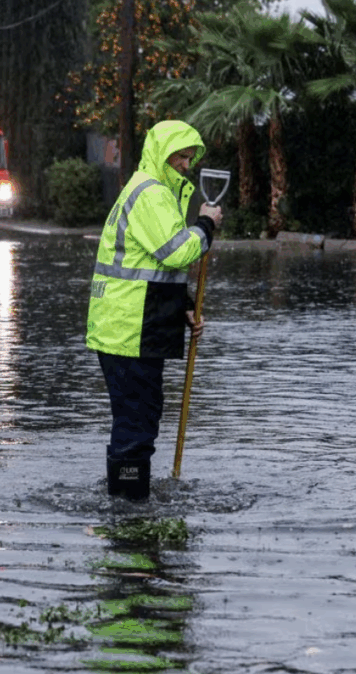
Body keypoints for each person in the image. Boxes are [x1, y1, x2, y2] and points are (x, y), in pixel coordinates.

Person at [86, 120, 223, 501]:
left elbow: (151, 266)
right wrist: (206, 225)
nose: (186, 164)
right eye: (181, 156)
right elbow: (178, 251)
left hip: (130, 327)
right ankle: (129, 515)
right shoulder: (152, 195)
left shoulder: (150, 191)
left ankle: (124, 498)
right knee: (136, 423)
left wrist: (182, 308)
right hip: (130, 331)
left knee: (137, 418)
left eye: (190, 158)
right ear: (163, 154)